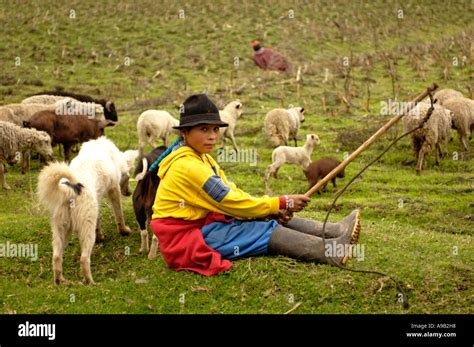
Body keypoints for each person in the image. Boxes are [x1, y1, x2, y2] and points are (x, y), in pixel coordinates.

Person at [150, 94, 361, 276]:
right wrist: (280, 202)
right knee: (263, 229)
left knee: (269, 216)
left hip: (203, 223)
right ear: (184, 133)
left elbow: (232, 191)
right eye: (204, 129)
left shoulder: (202, 158)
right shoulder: (188, 166)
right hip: (186, 239)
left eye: (215, 129)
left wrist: (269, 209)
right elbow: (229, 201)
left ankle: (334, 230)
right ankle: (331, 251)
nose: (213, 136)